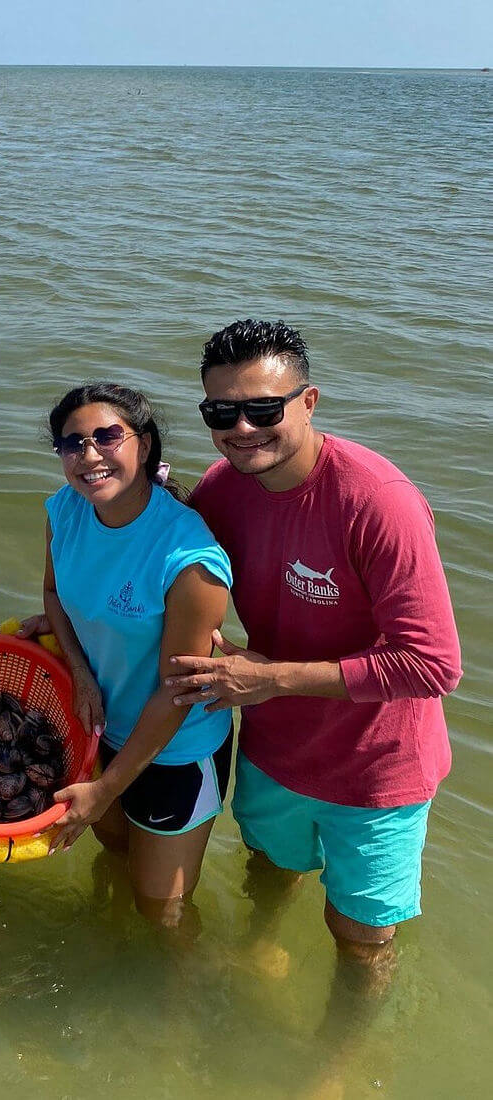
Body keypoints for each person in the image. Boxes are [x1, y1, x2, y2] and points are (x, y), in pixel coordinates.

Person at [166, 319, 462, 978]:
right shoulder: (221, 489)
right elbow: (159, 561)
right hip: (276, 749)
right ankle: (256, 945)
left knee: (361, 936)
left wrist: (269, 677)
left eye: (263, 408)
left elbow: (434, 664)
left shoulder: (378, 503)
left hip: (377, 769)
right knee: (269, 867)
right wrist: (63, 617)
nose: (243, 428)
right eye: (223, 411)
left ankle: (336, 1067)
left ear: (309, 401)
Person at [39, 383, 233, 932]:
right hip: (98, 731)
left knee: (161, 909)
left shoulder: (190, 560)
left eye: (107, 436)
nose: (90, 454)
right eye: (72, 443)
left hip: (175, 749)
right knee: (115, 859)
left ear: (143, 446)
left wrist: (104, 790)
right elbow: (54, 596)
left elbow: (179, 690)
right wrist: (78, 670)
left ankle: (181, 1007)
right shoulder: (64, 512)